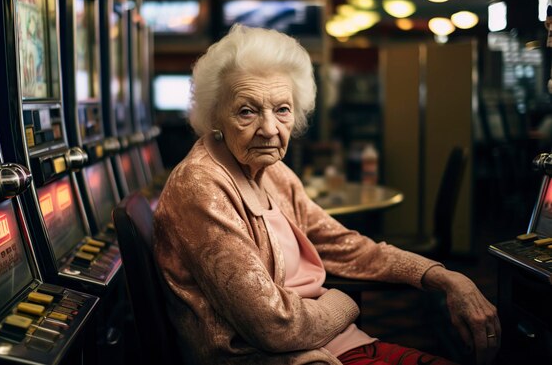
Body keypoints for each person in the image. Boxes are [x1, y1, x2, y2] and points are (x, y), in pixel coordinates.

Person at [153, 24, 500, 365]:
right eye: (247, 111)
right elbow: (274, 327)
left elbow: (342, 244)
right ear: (215, 115)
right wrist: (344, 303)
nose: (270, 129)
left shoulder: (274, 173)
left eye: (282, 109)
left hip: (333, 341)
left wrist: (445, 277)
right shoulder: (200, 187)